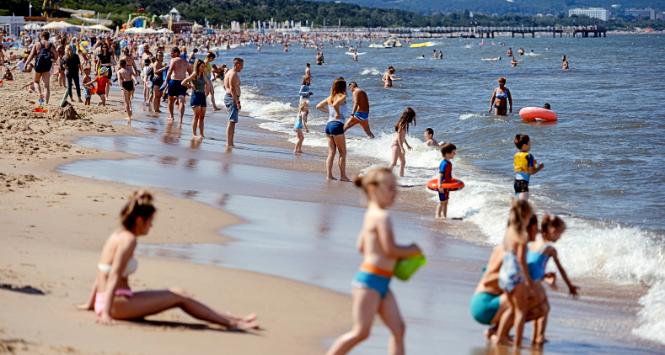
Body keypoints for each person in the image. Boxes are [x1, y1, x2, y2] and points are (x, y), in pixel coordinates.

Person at [77, 190, 259, 330]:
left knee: (178, 291)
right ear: (140, 220)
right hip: (117, 305)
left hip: (109, 301)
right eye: (150, 221)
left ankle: (233, 318)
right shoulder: (128, 240)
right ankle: (232, 323)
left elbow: (102, 271)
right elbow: (115, 274)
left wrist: (92, 303)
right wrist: (106, 313)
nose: (152, 226)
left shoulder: (116, 235)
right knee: (180, 298)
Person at [326, 168, 422, 355]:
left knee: (398, 329)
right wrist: (412, 250)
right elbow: (390, 249)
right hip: (369, 282)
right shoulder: (382, 217)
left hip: (381, 281)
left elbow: (361, 246)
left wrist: (378, 255)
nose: (395, 192)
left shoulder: (371, 214)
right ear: (372, 189)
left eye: (396, 188)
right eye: (390, 188)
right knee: (361, 332)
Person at [527, 214, 579, 347]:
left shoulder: (533, 242)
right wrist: (570, 286)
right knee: (544, 309)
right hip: (534, 284)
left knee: (539, 308)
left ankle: (537, 336)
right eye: (560, 234)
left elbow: (532, 263)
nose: (560, 237)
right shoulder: (549, 249)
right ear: (553, 231)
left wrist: (544, 276)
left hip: (525, 280)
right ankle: (539, 337)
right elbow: (561, 270)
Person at [494, 199, 534, 349]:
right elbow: (521, 260)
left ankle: (500, 338)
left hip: (504, 276)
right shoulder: (522, 235)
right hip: (515, 276)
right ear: (525, 215)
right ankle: (517, 344)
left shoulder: (509, 232)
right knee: (521, 312)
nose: (530, 219)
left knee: (511, 309)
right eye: (530, 216)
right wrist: (529, 281)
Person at [316, 77, 350, 181]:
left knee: (331, 152)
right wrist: (338, 114)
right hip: (337, 125)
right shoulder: (343, 96)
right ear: (343, 86)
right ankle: (343, 176)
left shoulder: (330, 97)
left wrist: (330, 113)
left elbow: (318, 106)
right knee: (343, 153)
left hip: (328, 125)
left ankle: (329, 175)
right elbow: (336, 104)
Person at [25, 31, 58, 104]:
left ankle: (40, 94)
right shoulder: (50, 45)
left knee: (36, 81)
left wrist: (26, 63)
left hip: (38, 65)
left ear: (41, 36)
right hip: (47, 65)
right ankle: (46, 103)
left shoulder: (37, 44)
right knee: (46, 86)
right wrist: (54, 60)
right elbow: (56, 55)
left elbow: (31, 55)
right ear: (48, 37)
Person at [182, 59, 210, 139]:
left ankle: (201, 134)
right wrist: (190, 86)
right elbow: (183, 82)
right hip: (196, 96)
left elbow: (208, 83)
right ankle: (194, 134)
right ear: (197, 66)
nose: (203, 68)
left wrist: (207, 92)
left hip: (202, 96)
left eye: (204, 67)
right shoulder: (194, 74)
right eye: (202, 66)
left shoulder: (203, 74)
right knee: (196, 115)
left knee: (202, 117)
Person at [513, 134, 544, 201]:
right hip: (523, 183)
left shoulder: (516, 155)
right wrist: (540, 167)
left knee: (518, 202)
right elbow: (531, 172)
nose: (530, 145)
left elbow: (521, 167)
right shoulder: (529, 156)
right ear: (524, 145)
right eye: (529, 144)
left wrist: (532, 163)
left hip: (516, 182)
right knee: (523, 204)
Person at [166, 47, 192, 122]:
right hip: (183, 83)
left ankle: (171, 116)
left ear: (176, 53)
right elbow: (190, 72)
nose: (171, 54)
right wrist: (190, 82)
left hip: (174, 81)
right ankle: (180, 119)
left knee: (170, 100)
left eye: (172, 53)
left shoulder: (173, 60)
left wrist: (166, 81)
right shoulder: (186, 62)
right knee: (181, 101)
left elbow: (170, 71)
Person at [223, 57, 244, 149]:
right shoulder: (233, 74)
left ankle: (230, 142)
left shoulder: (228, 72)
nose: (242, 68)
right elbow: (232, 89)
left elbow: (225, 86)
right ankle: (229, 143)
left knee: (232, 121)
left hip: (229, 97)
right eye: (242, 66)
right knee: (231, 121)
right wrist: (237, 102)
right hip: (232, 98)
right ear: (237, 64)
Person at [389, 107, 415, 178]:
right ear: (408, 116)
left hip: (399, 145)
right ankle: (383, 176)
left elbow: (403, 137)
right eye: (412, 117)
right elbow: (398, 137)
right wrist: (401, 148)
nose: (412, 119)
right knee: (393, 163)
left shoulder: (404, 124)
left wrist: (407, 145)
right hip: (396, 145)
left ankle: (402, 177)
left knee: (403, 162)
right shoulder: (402, 124)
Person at [436, 143, 457, 219]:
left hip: (447, 186)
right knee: (442, 202)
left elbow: (448, 174)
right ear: (447, 153)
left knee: (446, 201)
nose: (455, 154)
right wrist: (439, 185)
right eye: (453, 152)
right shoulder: (444, 164)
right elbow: (440, 175)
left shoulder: (449, 163)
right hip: (442, 186)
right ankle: (437, 216)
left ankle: (444, 216)